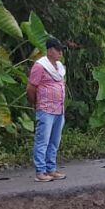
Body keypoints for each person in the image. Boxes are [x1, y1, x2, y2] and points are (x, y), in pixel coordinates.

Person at [27, 38, 67, 182]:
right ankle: (41, 171)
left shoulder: (59, 67)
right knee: (42, 140)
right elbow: (31, 88)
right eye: (58, 50)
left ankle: (51, 169)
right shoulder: (40, 66)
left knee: (54, 141)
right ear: (50, 51)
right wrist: (36, 104)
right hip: (45, 109)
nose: (60, 53)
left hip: (59, 109)